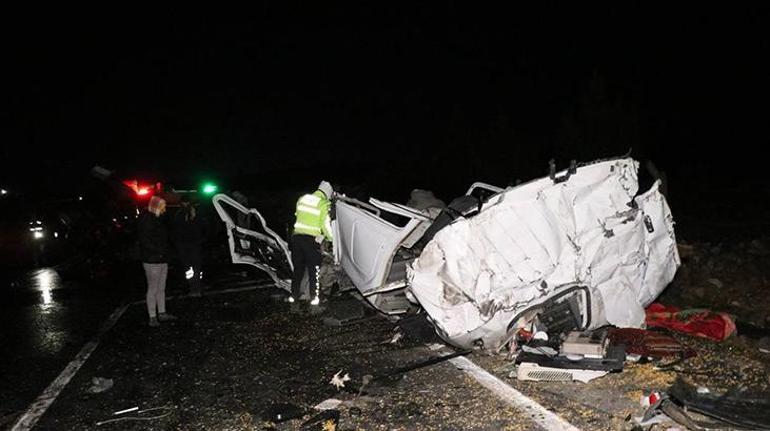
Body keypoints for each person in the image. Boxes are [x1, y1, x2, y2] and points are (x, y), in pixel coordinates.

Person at [289, 180, 334, 306]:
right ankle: (315, 300)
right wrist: (331, 238)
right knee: (314, 270)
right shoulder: (323, 203)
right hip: (310, 241)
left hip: (296, 239)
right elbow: (325, 225)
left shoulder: (302, 199)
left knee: (298, 270)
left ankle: (294, 298)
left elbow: (298, 215)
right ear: (327, 193)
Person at [138, 195, 176, 327]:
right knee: (153, 288)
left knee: (161, 288)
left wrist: (165, 254)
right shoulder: (148, 219)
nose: (165, 208)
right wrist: (159, 253)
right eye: (163, 205)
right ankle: (152, 316)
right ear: (156, 206)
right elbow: (145, 241)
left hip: (161, 258)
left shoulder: (158, 218)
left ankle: (162, 312)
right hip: (152, 260)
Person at [172, 195, 206, 297]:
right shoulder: (180, 215)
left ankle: (196, 288)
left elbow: (204, 229)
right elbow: (176, 231)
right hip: (186, 246)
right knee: (190, 269)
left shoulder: (196, 215)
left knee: (195, 268)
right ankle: (193, 288)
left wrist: (201, 240)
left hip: (192, 245)